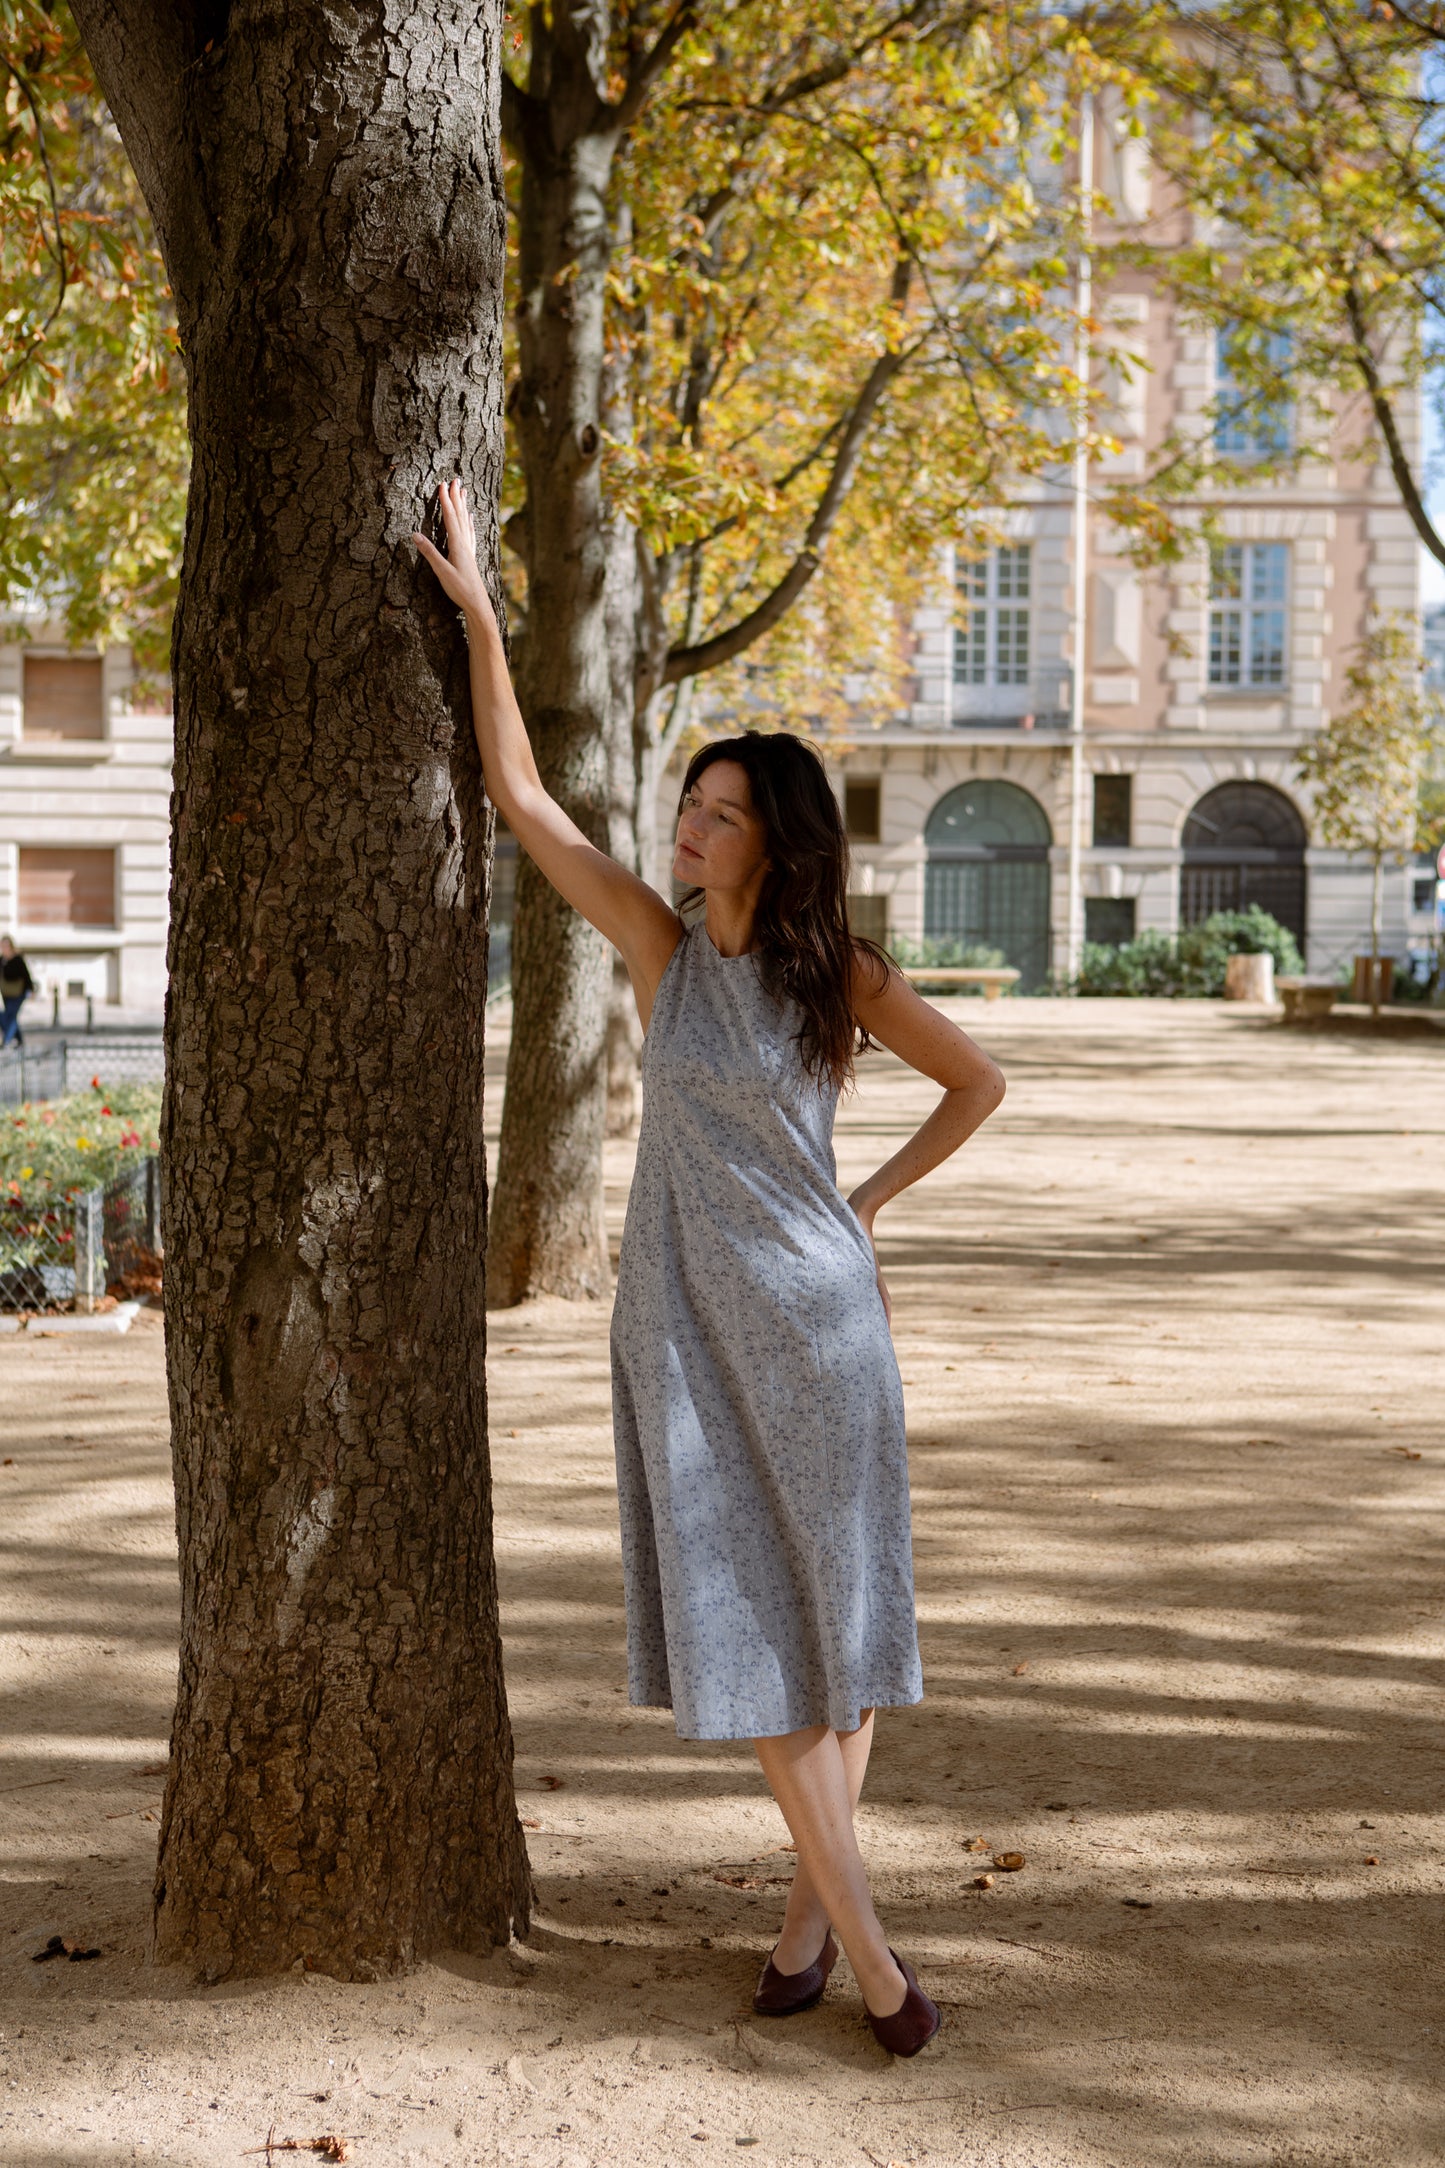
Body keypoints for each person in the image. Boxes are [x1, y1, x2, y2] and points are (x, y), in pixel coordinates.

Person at [416, 481, 1006, 2057]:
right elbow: (527, 803)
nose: (688, 828)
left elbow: (979, 1084)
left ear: (778, 838)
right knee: (753, 1633)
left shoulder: (837, 974)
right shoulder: (658, 948)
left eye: (719, 812)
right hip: (682, 1331)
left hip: (820, 1327)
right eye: (688, 805)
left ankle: (820, 1928)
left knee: (841, 1625)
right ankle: (874, 1955)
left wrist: (865, 1201)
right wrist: (483, 616)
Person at [0, 936, 34, 1049]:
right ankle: (19, 1040)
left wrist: (31, 990)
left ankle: (6, 1040)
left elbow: (26, 976)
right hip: (6, 994)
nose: (4, 948)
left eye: (6, 945)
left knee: (10, 1016)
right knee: (9, 1017)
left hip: (18, 994)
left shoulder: (17, 960)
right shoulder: (1, 960)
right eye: (2, 945)